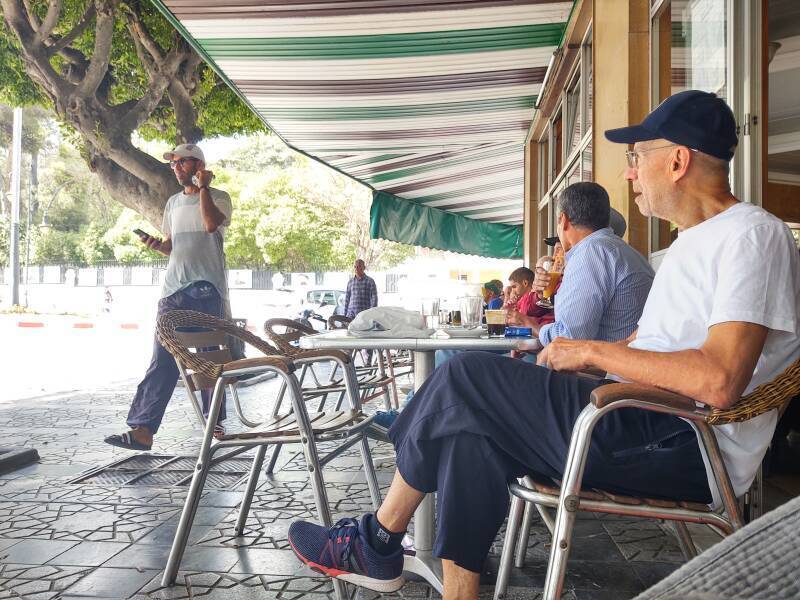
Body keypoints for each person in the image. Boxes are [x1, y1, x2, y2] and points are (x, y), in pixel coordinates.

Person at [286, 90, 800, 599]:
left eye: (636, 157)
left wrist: (592, 352)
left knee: (465, 375)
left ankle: (378, 537)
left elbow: (720, 379)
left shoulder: (753, 236)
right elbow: (652, 343)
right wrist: (585, 359)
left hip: (682, 441)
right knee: (473, 435)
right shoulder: (691, 242)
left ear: (678, 161)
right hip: (635, 416)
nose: (629, 173)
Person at [104, 143, 233, 451]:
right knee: (162, 358)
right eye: (173, 164)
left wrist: (203, 188)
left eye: (181, 163)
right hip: (172, 290)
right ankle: (143, 429)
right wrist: (156, 245)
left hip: (206, 288)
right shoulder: (172, 203)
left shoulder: (218, 197)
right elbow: (171, 246)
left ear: (198, 165)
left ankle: (213, 420)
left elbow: (211, 224)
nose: (175, 168)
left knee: (206, 358)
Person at [507, 182, 654, 345]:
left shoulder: (590, 253)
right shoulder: (627, 252)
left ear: (564, 220)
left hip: (601, 368)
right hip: (629, 361)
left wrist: (531, 325)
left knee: (477, 362)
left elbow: (569, 339)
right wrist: (541, 295)